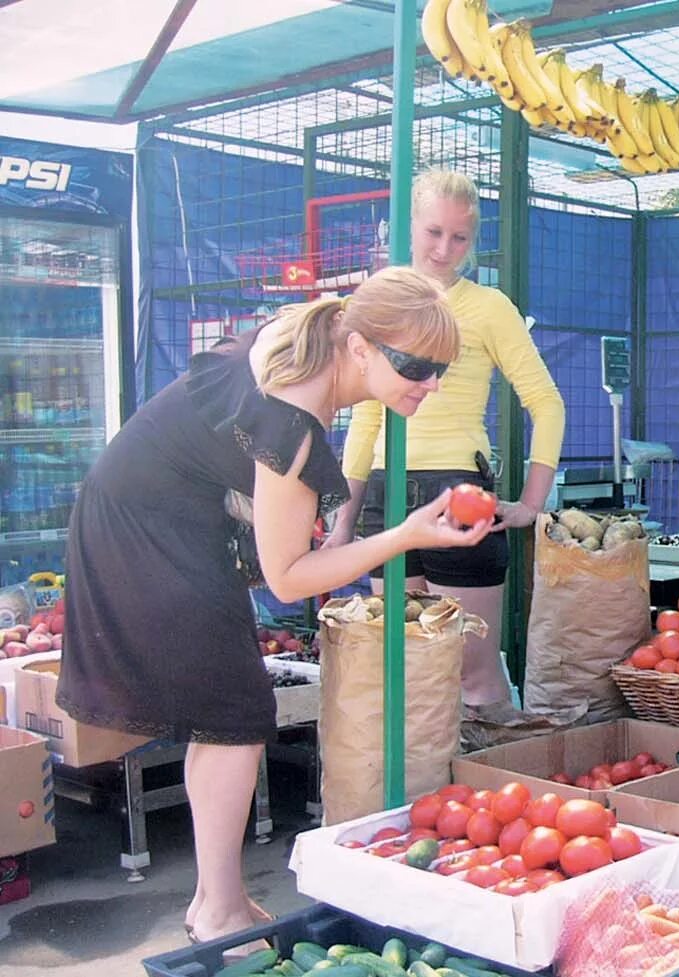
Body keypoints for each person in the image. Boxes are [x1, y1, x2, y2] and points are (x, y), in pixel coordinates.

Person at [55, 266, 492, 946]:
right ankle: (218, 907)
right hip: (147, 531)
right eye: (415, 365)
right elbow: (289, 580)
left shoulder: (306, 343)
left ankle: (215, 898)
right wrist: (406, 534)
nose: (430, 383)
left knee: (225, 710)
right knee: (234, 711)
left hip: (157, 516)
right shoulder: (292, 420)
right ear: (359, 349)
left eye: (441, 368)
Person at [325, 168, 565, 708]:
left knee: (471, 672)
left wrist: (531, 502)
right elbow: (365, 420)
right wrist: (343, 524)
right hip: (385, 497)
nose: (444, 248)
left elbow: (547, 403)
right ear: (407, 228)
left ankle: (498, 785)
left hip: (457, 494)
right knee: (407, 672)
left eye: (459, 237)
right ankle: (423, 790)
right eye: (434, 232)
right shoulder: (381, 299)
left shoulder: (488, 306)